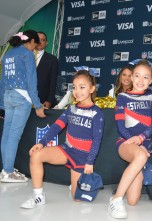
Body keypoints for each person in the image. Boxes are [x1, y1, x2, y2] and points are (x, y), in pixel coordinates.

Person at [20, 70, 104, 209]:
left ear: (92, 89)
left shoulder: (97, 113)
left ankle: (79, 182)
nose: (77, 91)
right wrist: (41, 143)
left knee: (76, 198)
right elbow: (56, 127)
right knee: (36, 155)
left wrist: (90, 162)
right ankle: (38, 196)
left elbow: (97, 139)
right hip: (67, 150)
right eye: (74, 87)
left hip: (82, 157)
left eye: (82, 87)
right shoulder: (70, 108)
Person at [108, 59, 152, 219]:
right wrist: (135, 141)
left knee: (132, 201)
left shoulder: (151, 97)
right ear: (131, 77)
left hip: (143, 144)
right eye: (137, 76)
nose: (140, 80)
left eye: (145, 77)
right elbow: (120, 126)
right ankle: (116, 201)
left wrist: (142, 138)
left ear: (151, 80)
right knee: (141, 155)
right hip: (125, 142)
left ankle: (122, 188)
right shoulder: (122, 97)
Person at [0, 30, 46, 183]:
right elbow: (32, 83)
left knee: (6, 134)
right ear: (31, 41)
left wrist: (1, 103)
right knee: (13, 135)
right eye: (35, 44)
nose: (35, 47)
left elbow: (2, 80)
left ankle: (6, 170)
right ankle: (8, 171)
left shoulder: (8, 55)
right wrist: (38, 105)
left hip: (8, 96)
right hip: (22, 98)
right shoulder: (27, 55)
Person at [35, 31, 59, 109]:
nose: (40, 42)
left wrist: (49, 100)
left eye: (43, 40)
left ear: (46, 43)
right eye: (38, 39)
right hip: (24, 100)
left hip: (42, 100)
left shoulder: (52, 60)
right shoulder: (25, 57)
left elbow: (53, 82)